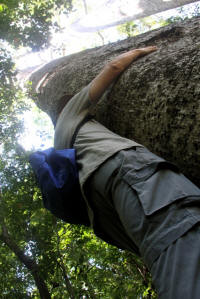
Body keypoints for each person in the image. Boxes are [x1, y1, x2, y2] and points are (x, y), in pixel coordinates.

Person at [54, 46, 200, 299]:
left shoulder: (62, 146)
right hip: (123, 172)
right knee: (181, 227)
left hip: (105, 213)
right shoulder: (67, 115)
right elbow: (112, 68)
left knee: (168, 249)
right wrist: (141, 50)